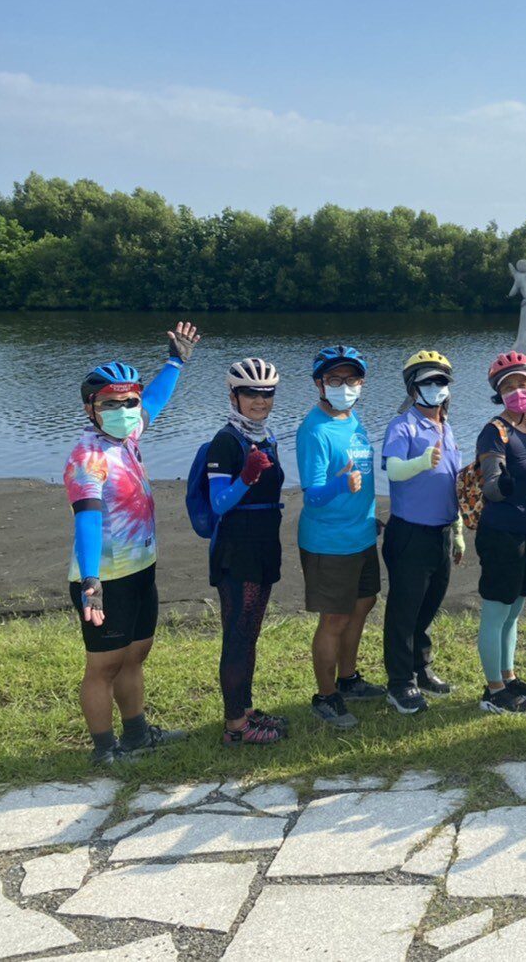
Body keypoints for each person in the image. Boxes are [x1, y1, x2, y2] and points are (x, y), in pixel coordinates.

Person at [65, 321, 199, 765]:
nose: (126, 410)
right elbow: (87, 521)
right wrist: (90, 580)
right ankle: (105, 751)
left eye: (130, 402)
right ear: (91, 408)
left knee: (136, 654)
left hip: (141, 567)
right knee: (103, 665)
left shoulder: (128, 435)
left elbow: (156, 399)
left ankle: (138, 734)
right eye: (112, 404)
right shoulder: (89, 457)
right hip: (105, 577)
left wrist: (176, 362)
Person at [297, 345, 383, 729]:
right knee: (334, 618)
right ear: (319, 384)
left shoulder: (354, 420)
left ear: (361, 384)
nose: (344, 386)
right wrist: (340, 484)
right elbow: (312, 495)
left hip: (362, 534)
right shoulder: (313, 430)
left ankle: (348, 679)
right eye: (334, 379)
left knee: (362, 605)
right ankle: (325, 695)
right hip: (329, 541)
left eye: (351, 379)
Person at [204, 357, 289, 745]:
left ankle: (246, 708)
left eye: (266, 393)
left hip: (263, 546)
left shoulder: (264, 435)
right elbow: (218, 503)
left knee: (250, 633)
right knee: (238, 635)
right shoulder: (226, 440)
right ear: (234, 396)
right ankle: (235, 727)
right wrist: (245, 477)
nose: (260, 400)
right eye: (251, 393)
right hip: (237, 551)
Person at [380, 350, 464, 716]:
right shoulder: (403, 426)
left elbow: (454, 483)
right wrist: (420, 461)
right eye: (428, 382)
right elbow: (394, 470)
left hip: (442, 532)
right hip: (410, 532)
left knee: (429, 605)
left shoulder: (447, 428)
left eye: (441, 382)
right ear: (413, 389)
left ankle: (420, 666)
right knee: (404, 609)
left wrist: (458, 529)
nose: (436, 388)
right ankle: (399, 683)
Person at [475, 351, 526, 714]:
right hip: (502, 535)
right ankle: (493, 691)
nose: (518, 389)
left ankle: (508, 676)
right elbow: (490, 481)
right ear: (498, 392)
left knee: (515, 611)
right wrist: (499, 482)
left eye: (523, 383)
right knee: (495, 612)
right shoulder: (495, 431)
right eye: (509, 385)